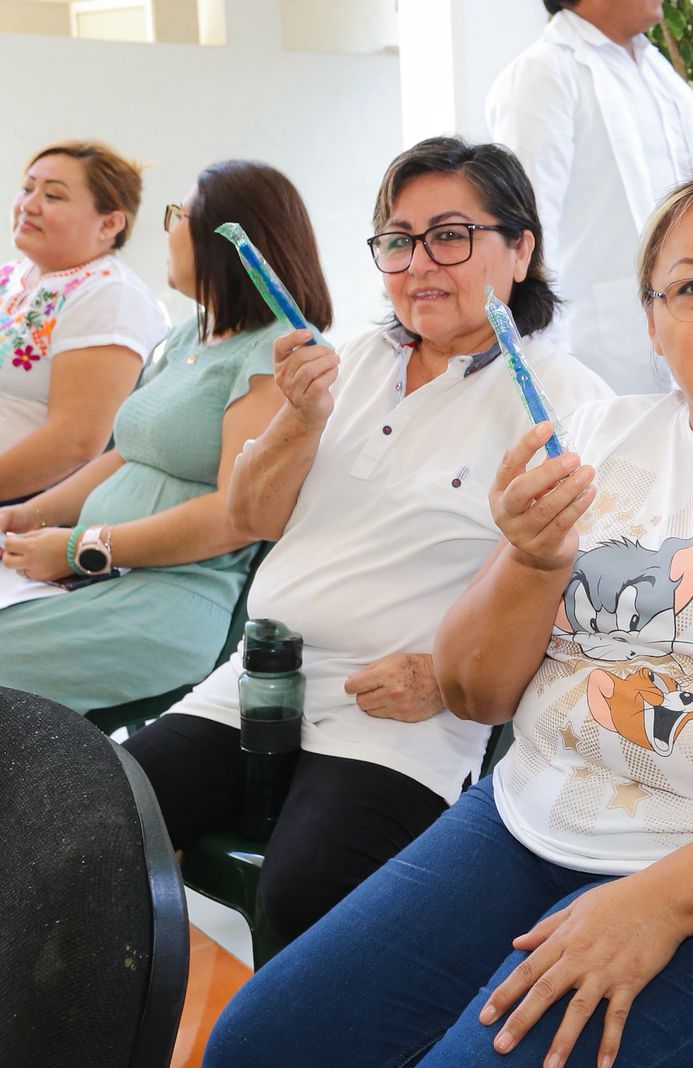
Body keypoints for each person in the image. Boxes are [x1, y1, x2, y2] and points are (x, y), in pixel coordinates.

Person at [204, 170, 693, 1068]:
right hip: (527, 827)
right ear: (652, 322)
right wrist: (535, 560)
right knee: (257, 1045)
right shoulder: (600, 437)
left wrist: (661, 902)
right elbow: (474, 689)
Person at [120, 137, 612, 944]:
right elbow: (251, 515)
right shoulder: (346, 360)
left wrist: (441, 677)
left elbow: (580, 593)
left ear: (520, 249)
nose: (420, 263)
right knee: (93, 814)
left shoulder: (565, 400)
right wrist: (299, 419)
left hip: (403, 715)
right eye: (397, 240)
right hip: (259, 677)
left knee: (309, 888)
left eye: (450, 236)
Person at [0, 161, 327, 712]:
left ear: (228, 239)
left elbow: (233, 514)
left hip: (159, 599)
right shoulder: (187, 336)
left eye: (180, 214)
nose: (168, 227)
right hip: (84, 571)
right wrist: (28, 515)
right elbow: (125, 453)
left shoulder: (278, 352)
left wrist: (81, 548)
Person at [487, 0, 693, 394]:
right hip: (594, 355)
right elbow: (529, 236)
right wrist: (548, 368)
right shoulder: (544, 75)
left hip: (689, 330)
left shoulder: (656, 70)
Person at [1, 141, 168, 502]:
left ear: (109, 223)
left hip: (21, 506)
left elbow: (74, 443)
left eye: (54, 196)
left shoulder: (110, 295)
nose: (28, 205)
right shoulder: (12, 276)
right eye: (27, 188)